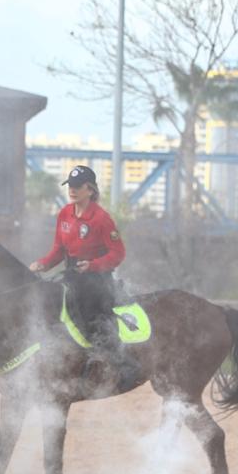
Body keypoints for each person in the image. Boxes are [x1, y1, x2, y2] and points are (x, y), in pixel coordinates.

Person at [28, 164, 140, 390]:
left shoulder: (101, 219)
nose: (72, 190)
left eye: (78, 186)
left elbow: (118, 253)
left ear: (90, 190)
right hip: (70, 276)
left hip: (96, 280)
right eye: (70, 185)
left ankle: (118, 361)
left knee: (91, 312)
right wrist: (43, 264)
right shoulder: (64, 214)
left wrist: (92, 265)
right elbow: (58, 250)